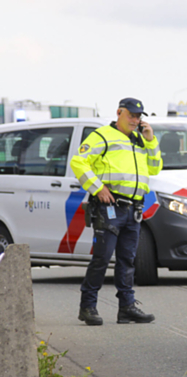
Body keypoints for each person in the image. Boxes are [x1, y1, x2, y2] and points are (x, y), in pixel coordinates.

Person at [70, 98, 162, 326]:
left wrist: (151, 141)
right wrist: (97, 188)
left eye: (139, 116)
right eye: (131, 115)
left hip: (133, 209)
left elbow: (155, 168)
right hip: (110, 208)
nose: (135, 120)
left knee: (127, 260)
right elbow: (79, 162)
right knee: (101, 258)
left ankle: (127, 308)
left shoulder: (141, 140)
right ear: (119, 112)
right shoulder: (101, 136)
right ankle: (88, 307)